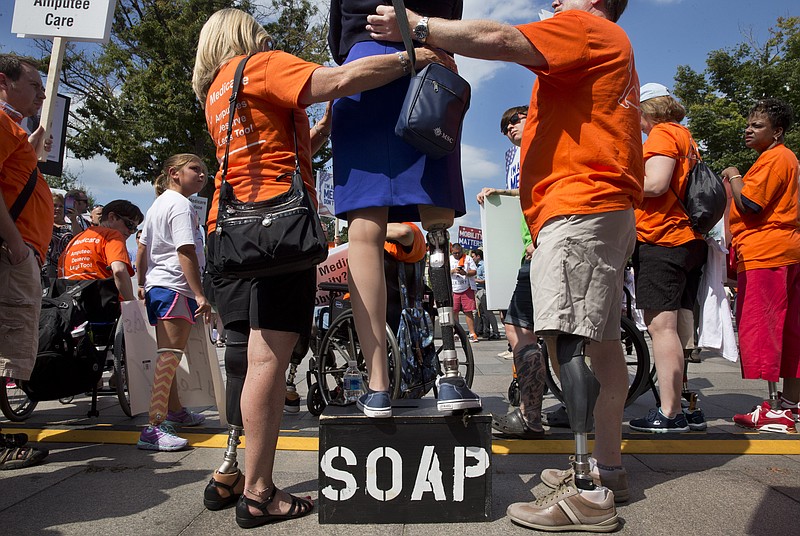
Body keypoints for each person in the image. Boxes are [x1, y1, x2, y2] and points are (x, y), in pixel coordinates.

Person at [370, 0, 641, 530]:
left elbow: (501, 39)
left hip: (578, 204)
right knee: (603, 347)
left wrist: (420, 26)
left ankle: (586, 488)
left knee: (566, 340)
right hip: (600, 206)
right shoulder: (608, 42)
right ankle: (608, 471)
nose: (556, 2)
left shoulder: (586, 25)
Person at [191, 7, 453, 528]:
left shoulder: (219, 90)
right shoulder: (261, 64)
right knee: (269, 360)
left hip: (232, 234)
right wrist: (411, 57)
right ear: (243, 34)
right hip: (277, 234)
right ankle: (261, 491)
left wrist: (325, 128)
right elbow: (339, 78)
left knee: (252, 357)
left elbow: (278, 151)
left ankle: (237, 471)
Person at [329, 0, 480, 420]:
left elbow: (338, 38)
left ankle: (377, 387)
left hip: (365, 74)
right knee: (436, 225)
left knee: (364, 231)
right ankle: (448, 373)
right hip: (430, 70)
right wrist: (415, 34)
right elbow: (452, 20)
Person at [628, 83, 708, 433]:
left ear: (648, 110)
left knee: (661, 327)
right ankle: (683, 407)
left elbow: (656, 184)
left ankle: (670, 412)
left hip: (662, 238)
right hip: (686, 239)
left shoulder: (661, 135)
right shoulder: (686, 138)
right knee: (675, 327)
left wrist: (618, 179)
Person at [722, 98, 800, 434]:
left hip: (767, 253)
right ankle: (790, 404)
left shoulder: (774, 158)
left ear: (777, 131)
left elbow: (751, 203)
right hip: (785, 251)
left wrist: (734, 175)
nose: (748, 130)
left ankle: (774, 410)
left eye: (757, 125)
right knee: (790, 329)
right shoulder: (785, 158)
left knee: (763, 326)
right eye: (749, 124)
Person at [478, 105, 547, 441]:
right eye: (503, 127)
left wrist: (539, 238)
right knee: (561, 336)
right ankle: (578, 416)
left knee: (518, 328)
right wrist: (500, 192)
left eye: (512, 121)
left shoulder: (538, 146)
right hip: (546, 243)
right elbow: (528, 192)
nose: (507, 129)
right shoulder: (539, 148)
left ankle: (530, 417)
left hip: (540, 245)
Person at [135, 154, 212, 451]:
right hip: (175, 289)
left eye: (204, 170)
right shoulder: (181, 205)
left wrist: (143, 283)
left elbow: (142, 249)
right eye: (195, 168)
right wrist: (200, 293)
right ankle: (153, 427)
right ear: (174, 173)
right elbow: (185, 251)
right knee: (168, 358)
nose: (202, 175)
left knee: (169, 355)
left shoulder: (158, 204)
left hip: (161, 287)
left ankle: (176, 411)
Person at [0, 53, 53, 470]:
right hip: (12, 254)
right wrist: (16, 245)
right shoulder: (2, 123)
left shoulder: (13, 130)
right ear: (5, 82)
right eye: (34, 84)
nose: (41, 92)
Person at [58, 199, 142, 302]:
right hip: (101, 306)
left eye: (135, 229)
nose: (131, 231)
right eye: (130, 225)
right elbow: (119, 271)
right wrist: (132, 304)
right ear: (112, 217)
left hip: (69, 305)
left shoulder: (77, 238)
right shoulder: (113, 235)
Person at [42, 192, 74, 288]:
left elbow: (80, 238)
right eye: (55, 205)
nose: (58, 209)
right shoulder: (42, 224)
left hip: (67, 270)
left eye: (61, 206)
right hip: (46, 269)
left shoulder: (72, 226)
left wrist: (74, 219)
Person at [449, 243, 480, 343]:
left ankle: (472, 333)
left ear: (461, 251)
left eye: (458, 253)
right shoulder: (449, 259)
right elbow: (444, 271)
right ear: (452, 252)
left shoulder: (467, 258)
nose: (457, 255)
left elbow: (474, 271)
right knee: (454, 311)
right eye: (455, 253)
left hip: (467, 288)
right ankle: (456, 333)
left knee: (468, 311)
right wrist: (453, 270)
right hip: (454, 289)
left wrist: (465, 273)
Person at [472, 249, 500, 339]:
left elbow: (485, 279)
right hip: (477, 290)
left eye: (473, 256)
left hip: (483, 290)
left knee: (488, 312)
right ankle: (476, 331)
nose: (472, 258)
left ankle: (496, 332)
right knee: (477, 312)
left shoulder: (483, 265)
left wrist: (474, 280)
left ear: (478, 256)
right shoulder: (476, 266)